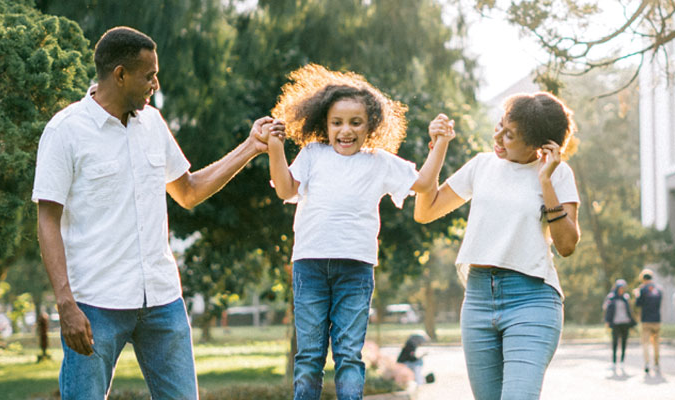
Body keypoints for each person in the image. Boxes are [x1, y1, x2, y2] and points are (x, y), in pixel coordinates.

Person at [32, 26, 271, 399]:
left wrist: (251, 147)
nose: (156, 83)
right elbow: (47, 219)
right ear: (120, 74)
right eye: (149, 75)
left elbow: (188, 192)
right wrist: (65, 302)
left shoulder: (153, 125)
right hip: (95, 305)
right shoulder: (65, 131)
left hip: (161, 299)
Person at [261, 64, 453, 400]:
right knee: (309, 357)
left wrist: (440, 143)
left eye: (355, 122)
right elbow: (284, 188)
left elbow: (423, 183)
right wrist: (275, 148)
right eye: (337, 123)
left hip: (356, 268)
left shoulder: (379, 161)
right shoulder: (312, 154)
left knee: (349, 355)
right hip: (310, 265)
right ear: (325, 123)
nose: (345, 130)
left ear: (371, 126)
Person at [413, 92, 581, 400]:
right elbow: (425, 211)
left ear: (538, 146)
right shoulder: (482, 166)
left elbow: (567, 245)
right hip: (477, 299)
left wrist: (545, 182)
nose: (499, 137)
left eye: (510, 135)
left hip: (532, 300)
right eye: (500, 126)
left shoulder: (559, 174)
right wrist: (438, 148)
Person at [634, 268, 663, 374]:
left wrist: (637, 294)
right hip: (657, 320)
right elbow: (659, 303)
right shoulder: (659, 289)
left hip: (646, 320)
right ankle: (656, 363)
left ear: (643, 279)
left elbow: (638, 304)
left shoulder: (642, 289)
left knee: (645, 343)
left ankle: (647, 363)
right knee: (656, 343)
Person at [603, 279, 635, 368]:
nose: (621, 290)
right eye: (620, 288)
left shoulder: (626, 297)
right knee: (615, 343)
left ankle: (622, 362)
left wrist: (632, 322)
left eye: (623, 288)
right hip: (615, 323)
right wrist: (607, 321)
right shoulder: (611, 297)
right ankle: (613, 362)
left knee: (624, 342)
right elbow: (607, 310)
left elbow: (629, 311)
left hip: (625, 323)